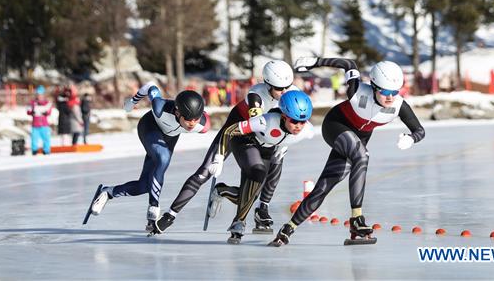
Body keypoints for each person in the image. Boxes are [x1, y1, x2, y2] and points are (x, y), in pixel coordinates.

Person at [270, 56, 425, 247]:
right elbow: (349, 64)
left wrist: (411, 138)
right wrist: (315, 62)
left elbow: (419, 130)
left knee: (324, 186)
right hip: (335, 126)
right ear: (374, 86)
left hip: (355, 141)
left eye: (395, 91)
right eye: (385, 91)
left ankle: (287, 229)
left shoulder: (398, 105)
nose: (390, 97)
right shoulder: (357, 91)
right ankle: (357, 219)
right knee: (362, 155)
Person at [149, 59, 296, 234]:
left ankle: (256, 206)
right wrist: (219, 157)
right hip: (239, 127)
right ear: (267, 84)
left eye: (288, 86)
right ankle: (170, 215)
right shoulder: (256, 95)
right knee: (205, 172)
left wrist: (285, 140)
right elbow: (255, 124)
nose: (285, 92)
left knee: (263, 177)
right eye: (280, 89)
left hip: (266, 134)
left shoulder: (293, 93)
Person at [83, 84, 210, 231]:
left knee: (144, 186)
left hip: (169, 138)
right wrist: (132, 102)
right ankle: (154, 207)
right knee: (163, 158)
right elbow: (151, 87)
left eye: (196, 119)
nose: (192, 124)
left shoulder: (203, 126)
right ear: (177, 112)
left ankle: (108, 192)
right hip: (150, 127)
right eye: (188, 119)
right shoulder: (159, 108)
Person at [27, 85, 53, 155]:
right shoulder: (33, 102)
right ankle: (34, 151)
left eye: (41, 94)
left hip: (44, 124)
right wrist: (32, 112)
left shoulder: (46, 103)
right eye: (38, 94)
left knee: (46, 138)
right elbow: (28, 111)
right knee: (34, 139)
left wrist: (45, 112)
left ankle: (46, 150)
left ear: (43, 95)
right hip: (35, 124)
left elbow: (49, 111)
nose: (39, 96)